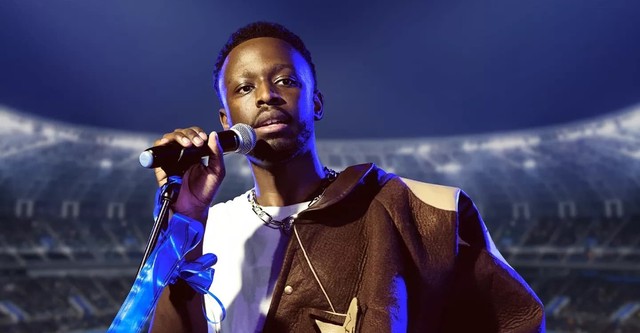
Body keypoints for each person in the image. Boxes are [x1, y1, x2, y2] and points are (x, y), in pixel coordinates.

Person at [149, 22, 544, 332]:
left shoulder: (416, 210)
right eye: (244, 87)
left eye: (285, 80)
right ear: (226, 120)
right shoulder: (207, 227)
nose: (267, 95)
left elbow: (514, 321)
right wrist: (187, 221)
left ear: (316, 102)